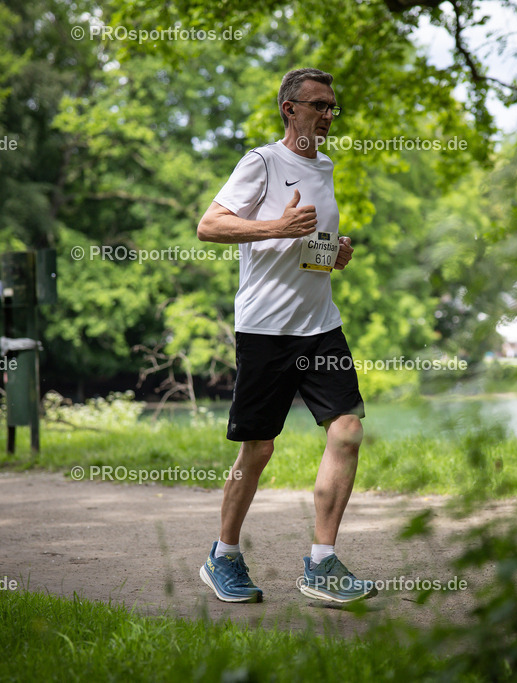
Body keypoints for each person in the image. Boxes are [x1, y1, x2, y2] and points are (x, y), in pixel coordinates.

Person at [195, 68, 376, 604]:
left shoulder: (324, 166)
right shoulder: (262, 162)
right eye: (318, 105)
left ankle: (322, 563)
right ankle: (223, 555)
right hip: (266, 329)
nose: (327, 115)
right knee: (259, 448)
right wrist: (277, 227)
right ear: (289, 109)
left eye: (331, 107)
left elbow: (307, 248)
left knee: (346, 432)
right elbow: (210, 225)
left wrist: (332, 254)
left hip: (321, 325)